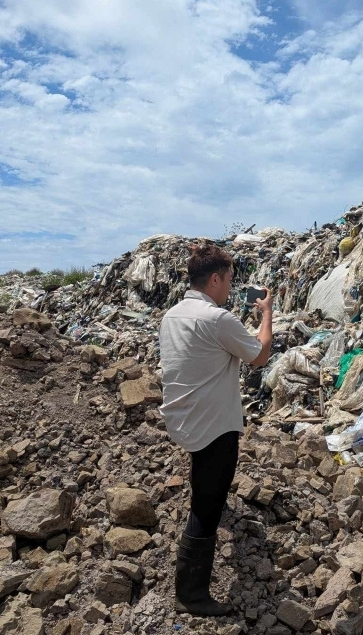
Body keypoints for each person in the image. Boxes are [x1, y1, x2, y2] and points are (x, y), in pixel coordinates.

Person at [158, 244, 273, 616]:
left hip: (184, 418)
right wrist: (266, 315)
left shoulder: (172, 315)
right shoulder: (217, 319)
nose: (231, 286)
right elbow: (259, 355)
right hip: (214, 425)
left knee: (203, 479)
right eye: (228, 278)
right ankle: (191, 594)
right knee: (207, 506)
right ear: (214, 279)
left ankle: (205, 509)